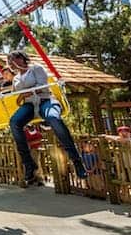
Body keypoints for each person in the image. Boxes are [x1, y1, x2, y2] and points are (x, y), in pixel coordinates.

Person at [6, 50, 87, 185]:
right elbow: (17, 95)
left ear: (21, 59)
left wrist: (26, 92)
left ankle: (76, 160)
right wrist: (22, 95)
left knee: (53, 118)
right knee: (14, 122)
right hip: (29, 105)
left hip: (45, 100)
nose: (10, 63)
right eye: (8, 61)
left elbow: (41, 86)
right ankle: (29, 164)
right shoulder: (15, 78)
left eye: (12, 59)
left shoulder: (36, 68)